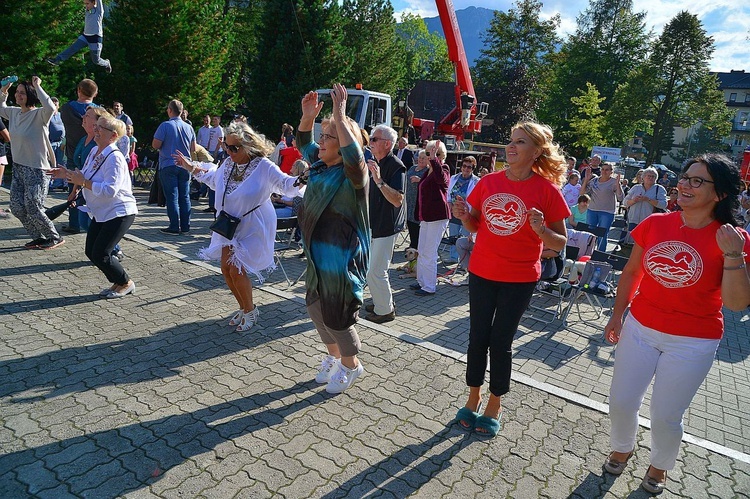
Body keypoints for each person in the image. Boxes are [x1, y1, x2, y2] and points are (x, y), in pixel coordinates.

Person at [603, 153, 750, 494]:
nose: (684, 184)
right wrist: (617, 313)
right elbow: (632, 272)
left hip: (693, 341)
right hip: (640, 328)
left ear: (720, 194)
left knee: (665, 415)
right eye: (685, 177)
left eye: (697, 181)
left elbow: (737, 302)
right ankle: (623, 446)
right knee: (621, 400)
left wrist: (733, 255)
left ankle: (659, 466)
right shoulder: (656, 223)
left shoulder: (734, 238)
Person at [451, 122, 570, 437]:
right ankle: (473, 396)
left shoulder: (547, 191)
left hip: (519, 277)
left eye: (521, 142)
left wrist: (541, 229)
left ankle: (494, 403)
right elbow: (476, 226)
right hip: (482, 271)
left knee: (500, 342)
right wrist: (464, 215)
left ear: (536, 152)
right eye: (511, 140)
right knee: (477, 336)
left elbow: (560, 243)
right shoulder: (489, 182)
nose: (511, 147)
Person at [174, 121, 302, 332]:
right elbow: (213, 179)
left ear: (248, 146)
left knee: (237, 269)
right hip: (229, 223)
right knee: (226, 269)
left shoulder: (264, 166)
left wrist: (304, 178)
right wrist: (190, 167)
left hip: (254, 224)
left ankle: (251, 310)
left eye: (235, 147)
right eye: (227, 146)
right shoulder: (228, 164)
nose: (230, 151)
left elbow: (286, 185)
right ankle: (244, 307)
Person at [296, 84, 369, 394]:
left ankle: (352, 367)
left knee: (338, 317)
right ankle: (333, 357)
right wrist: (308, 116)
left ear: (343, 146)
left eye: (328, 137)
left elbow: (355, 156)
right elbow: (304, 142)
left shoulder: (354, 173)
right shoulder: (320, 165)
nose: (321, 142)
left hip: (341, 260)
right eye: (323, 136)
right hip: (315, 256)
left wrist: (340, 114)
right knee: (315, 307)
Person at [53, 114, 137, 298]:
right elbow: (84, 174)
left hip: (119, 211)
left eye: (101, 128)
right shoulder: (95, 151)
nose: (96, 130)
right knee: (91, 251)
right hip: (102, 212)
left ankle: (125, 282)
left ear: (113, 136)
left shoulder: (114, 158)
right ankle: (117, 282)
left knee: (101, 253)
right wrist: (65, 173)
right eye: (96, 126)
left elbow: (110, 190)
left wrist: (83, 183)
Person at [0, 76, 64, 250]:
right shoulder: (13, 112)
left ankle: (53, 237)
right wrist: (4, 90)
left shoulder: (39, 115)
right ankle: (38, 237)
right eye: (17, 92)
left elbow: (50, 106)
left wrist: (37, 85)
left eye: (22, 92)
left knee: (33, 206)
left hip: (37, 168)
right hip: (19, 168)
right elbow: (0, 107)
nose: (18, 95)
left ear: (30, 94)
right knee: (16, 206)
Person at [364, 124, 406, 323]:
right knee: (371, 269)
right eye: (371, 138)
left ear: (387, 144)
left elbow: (398, 199)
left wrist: (379, 180)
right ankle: (382, 301)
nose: (370, 142)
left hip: (386, 226)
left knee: (376, 270)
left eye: (374, 139)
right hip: (374, 224)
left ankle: (385, 310)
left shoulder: (396, 166)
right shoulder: (375, 161)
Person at [152, 99, 196, 235]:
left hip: (168, 164)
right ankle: (185, 226)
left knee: (172, 197)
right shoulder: (189, 127)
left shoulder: (165, 126)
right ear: (182, 112)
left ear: (170, 110)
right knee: (185, 196)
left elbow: (156, 145)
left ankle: (174, 226)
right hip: (185, 165)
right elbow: (193, 148)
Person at [60, 79, 98, 233]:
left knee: (72, 189)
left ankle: (74, 224)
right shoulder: (98, 112)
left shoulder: (67, 108)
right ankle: (91, 220)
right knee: (91, 189)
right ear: (95, 93)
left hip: (73, 154)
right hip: (93, 154)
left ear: (79, 90)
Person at [413, 139, 450, 296]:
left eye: (434, 153)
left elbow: (442, 179)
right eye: (428, 153)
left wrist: (435, 160)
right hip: (426, 217)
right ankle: (422, 282)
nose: (429, 156)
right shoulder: (428, 170)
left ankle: (429, 286)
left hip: (437, 217)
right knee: (421, 251)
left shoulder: (444, 168)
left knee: (429, 253)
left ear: (441, 155)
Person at [47, 0, 112, 73]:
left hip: (95, 38)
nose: (86, 6)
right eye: (85, 4)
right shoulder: (87, 10)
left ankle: (106, 63)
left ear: (94, 3)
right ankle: (57, 60)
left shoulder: (99, 11)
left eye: (87, 4)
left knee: (96, 60)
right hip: (85, 36)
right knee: (73, 47)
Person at [581, 161, 623, 251]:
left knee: (602, 234)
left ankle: (600, 255)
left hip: (607, 212)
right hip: (592, 210)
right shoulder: (594, 181)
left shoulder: (614, 182)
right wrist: (586, 180)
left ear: (611, 171)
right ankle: (587, 252)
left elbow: (620, 198)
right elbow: (582, 193)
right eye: (603, 169)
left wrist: (618, 184)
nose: (604, 172)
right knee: (589, 233)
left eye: (607, 170)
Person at [447, 156, 480, 263]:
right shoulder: (453, 178)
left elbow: (476, 199)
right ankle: (453, 258)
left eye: (469, 167)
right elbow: (448, 193)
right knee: (453, 235)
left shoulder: (476, 181)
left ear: (473, 169)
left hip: (468, 213)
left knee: (466, 238)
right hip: (454, 211)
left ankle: (464, 261)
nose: (466, 169)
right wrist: (449, 202)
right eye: (464, 166)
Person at [622, 167, 667, 234]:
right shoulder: (636, 188)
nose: (650, 178)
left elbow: (664, 204)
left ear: (656, 178)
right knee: (631, 242)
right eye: (648, 176)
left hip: (650, 221)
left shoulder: (659, 189)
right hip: (633, 220)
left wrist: (648, 200)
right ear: (643, 177)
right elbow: (625, 202)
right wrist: (633, 200)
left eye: (653, 176)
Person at [405, 149, 429, 249]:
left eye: (423, 158)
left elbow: (429, 186)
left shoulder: (427, 171)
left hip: (418, 203)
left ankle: (416, 246)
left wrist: (420, 181)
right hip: (408, 201)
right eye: (419, 157)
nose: (421, 160)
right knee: (409, 223)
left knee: (416, 226)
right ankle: (412, 244)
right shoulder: (412, 168)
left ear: (428, 159)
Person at [48, 97, 67, 191]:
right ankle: (50, 183)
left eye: (56, 104)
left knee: (60, 163)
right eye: (53, 103)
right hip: (51, 142)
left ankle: (58, 183)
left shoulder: (61, 115)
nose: (55, 105)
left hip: (61, 143)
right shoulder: (48, 115)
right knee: (51, 163)